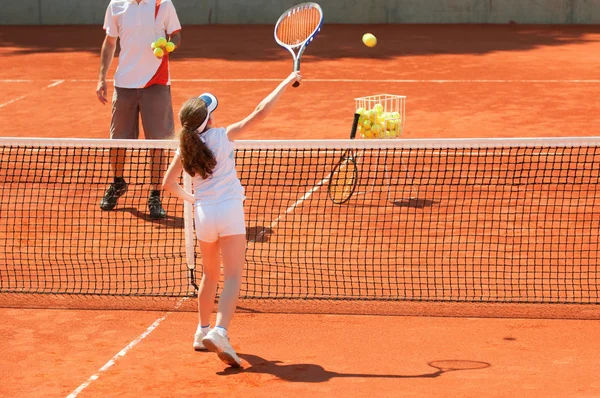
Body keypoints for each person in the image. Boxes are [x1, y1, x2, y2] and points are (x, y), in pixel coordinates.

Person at [162, 72, 302, 367]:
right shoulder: (223, 136)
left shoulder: (183, 148)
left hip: (203, 215)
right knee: (234, 275)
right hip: (229, 212)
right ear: (209, 120)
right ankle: (220, 331)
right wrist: (286, 81)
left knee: (209, 275)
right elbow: (260, 113)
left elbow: (168, 184)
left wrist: (194, 201)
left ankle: (201, 332)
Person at [96, 0, 182, 219]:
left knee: (157, 143)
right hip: (124, 84)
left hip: (156, 83)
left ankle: (155, 195)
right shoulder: (116, 5)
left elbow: (176, 36)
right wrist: (101, 78)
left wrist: (168, 46)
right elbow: (109, 42)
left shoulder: (163, 4)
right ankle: (118, 183)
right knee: (118, 141)